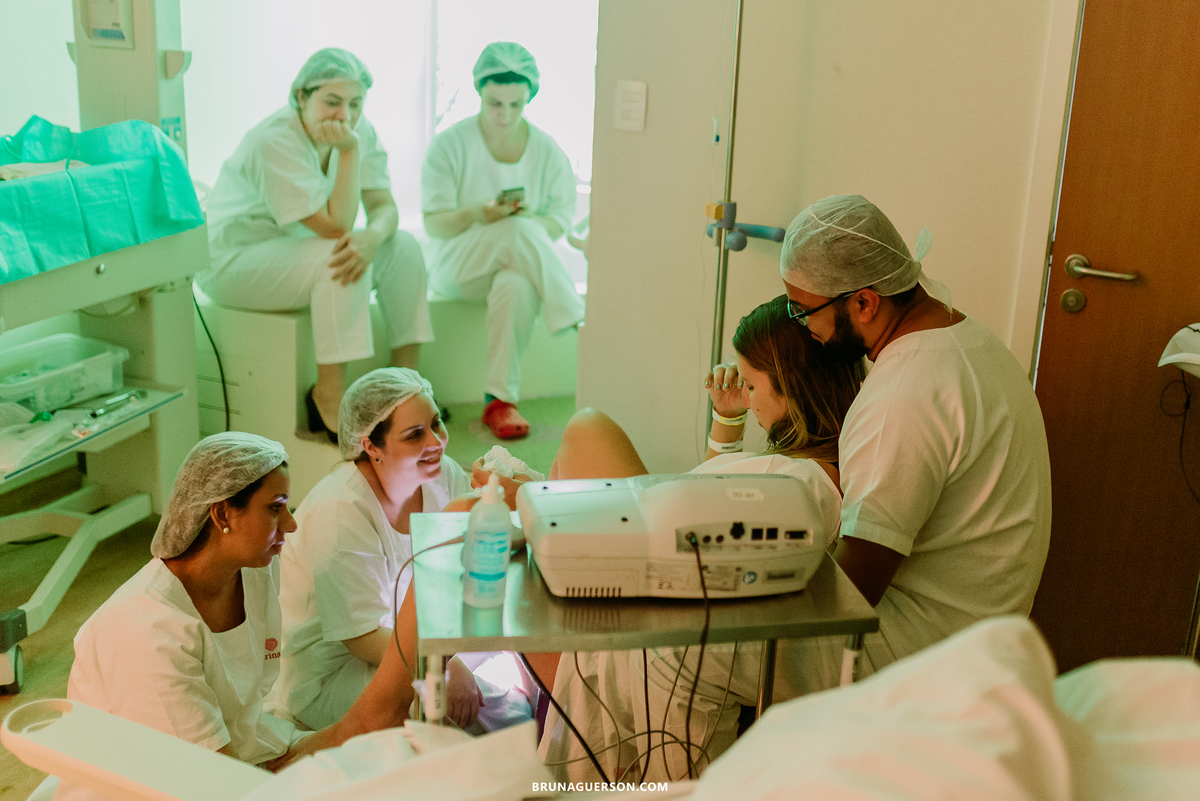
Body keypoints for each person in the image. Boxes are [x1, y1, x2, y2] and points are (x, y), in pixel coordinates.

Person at [515, 296, 863, 781]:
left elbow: (690, 516)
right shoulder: (801, 471)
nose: (746, 393)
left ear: (791, 390)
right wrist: (729, 418)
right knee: (570, 453)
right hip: (665, 559)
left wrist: (533, 497)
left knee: (582, 432)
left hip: (659, 605)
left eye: (753, 384)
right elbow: (710, 496)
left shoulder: (800, 484)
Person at [777, 195, 1052, 688]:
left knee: (690, 654)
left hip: (915, 649)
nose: (804, 330)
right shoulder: (967, 339)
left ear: (864, 302)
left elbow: (852, 592)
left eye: (803, 313)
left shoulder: (901, 395)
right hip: (983, 633)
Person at [271, 368, 531, 733]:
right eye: (414, 435)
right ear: (371, 446)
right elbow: (361, 639)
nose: (436, 442)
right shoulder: (340, 512)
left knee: (521, 666)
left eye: (436, 422)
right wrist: (443, 665)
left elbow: (499, 551)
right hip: (335, 672)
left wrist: (524, 491)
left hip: (413, 636)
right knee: (489, 717)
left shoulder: (443, 476)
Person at [200, 48, 432, 442]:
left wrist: (374, 235)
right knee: (338, 253)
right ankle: (328, 395)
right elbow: (335, 224)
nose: (345, 115)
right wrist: (349, 151)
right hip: (233, 261)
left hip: (294, 251)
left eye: (355, 103)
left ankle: (406, 390)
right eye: (332, 101)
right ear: (300, 96)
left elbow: (384, 207)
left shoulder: (359, 130)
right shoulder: (274, 140)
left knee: (403, 245)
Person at [60, 434, 305, 800]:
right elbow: (206, 783)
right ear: (222, 514)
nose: (290, 524)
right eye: (275, 507)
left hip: (231, 756)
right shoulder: (145, 631)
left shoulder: (255, 569)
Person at [421, 41, 585, 440]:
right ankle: (575, 319)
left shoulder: (548, 151)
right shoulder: (450, 145)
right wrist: (479, 214)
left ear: (529, 97)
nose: (505, 114)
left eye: (516, 104)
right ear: (478, 90)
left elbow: (558, 220)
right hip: (456, 265)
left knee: (516, 280)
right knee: (516, 231)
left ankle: (499, 401)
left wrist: (525, 226)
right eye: (496, 102)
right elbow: (435, 225)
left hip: (515, 262)